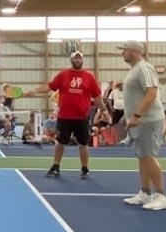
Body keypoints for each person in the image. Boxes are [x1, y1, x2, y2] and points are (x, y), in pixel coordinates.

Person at [23, 50, 107, 179]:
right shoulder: (63, 75)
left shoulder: (89, 77)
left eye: (80, 58)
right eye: (75, 58)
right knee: (60, 143)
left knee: (83, 144)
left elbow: (97, 96)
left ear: (82, 60)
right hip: (64, 117)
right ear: (71, 60)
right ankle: (55, 167)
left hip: (82, 117)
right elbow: (49, 86)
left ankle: (85, 169)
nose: (78, 60)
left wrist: (104, 110)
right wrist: (35, 91)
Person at [118, 40, 166, 210]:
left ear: (134, 51)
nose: (122, 53)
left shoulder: (145, 68)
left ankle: (162, 196)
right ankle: (145, 193)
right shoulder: (134, 70)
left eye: (124, 50)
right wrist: (128, 116)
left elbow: (151, 93)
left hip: (149, 120)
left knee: (148, 156)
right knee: (142, 156)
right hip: (138, 121)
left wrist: (137, 115)